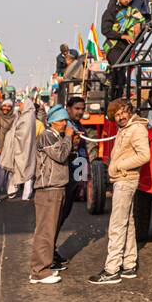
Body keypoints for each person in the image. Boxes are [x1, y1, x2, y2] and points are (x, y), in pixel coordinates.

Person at [89, 99, 150, 285]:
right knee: (127, 223)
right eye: (117, 114)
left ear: (130, 111)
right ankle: (129, 265)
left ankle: (111, 270)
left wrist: (119, 167)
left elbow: (144, 155)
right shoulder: (126, 128)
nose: (121, 116)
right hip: (124, 179)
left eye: (124, 112)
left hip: (126, 179)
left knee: (117, 225)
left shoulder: (136, 129)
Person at [28, 105, 75, 285]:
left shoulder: (56, 136)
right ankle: (39, 271)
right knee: (45, 232)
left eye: (65, 120)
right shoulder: (47, 135)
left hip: (56, 187)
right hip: (48, 189)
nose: (65, 124)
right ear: (53, 121)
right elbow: (61, 155)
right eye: (62, 120)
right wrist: (69, 137)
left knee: (50, 230)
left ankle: (46, 266)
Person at [53, 96, 86, 269]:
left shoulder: (79, 127)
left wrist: (82, 179)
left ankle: (51, 250)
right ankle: (48, 254)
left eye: (82, 109)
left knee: (63, 216)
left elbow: (84, 154)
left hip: (74, 178)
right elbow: (60, 153)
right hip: (62, 180)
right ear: (68, 108)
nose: (80, 112)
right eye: (77, 108)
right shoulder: (63, 127)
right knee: (54, 218)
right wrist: (71, 143)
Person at [101, 0, 144, 98]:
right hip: (113, 47)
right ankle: (112, 99)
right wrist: (122, 36)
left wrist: (138, 28)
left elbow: (141, 31)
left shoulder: (134, 13)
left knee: (121, 79)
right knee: (117, 72)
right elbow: (105, 30)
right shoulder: (110, 11)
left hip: (127, 49)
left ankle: (117, 100)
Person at [1, 94, 39, 200]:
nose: (20, 106)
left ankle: (26, 193)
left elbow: (24, 132)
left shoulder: (29, 116)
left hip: (25, 148)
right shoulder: (20, 115)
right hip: (17, 147)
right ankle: (12, 191)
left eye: (21, 104)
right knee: (14, 168)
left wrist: (12, 133)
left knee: (26, 169)